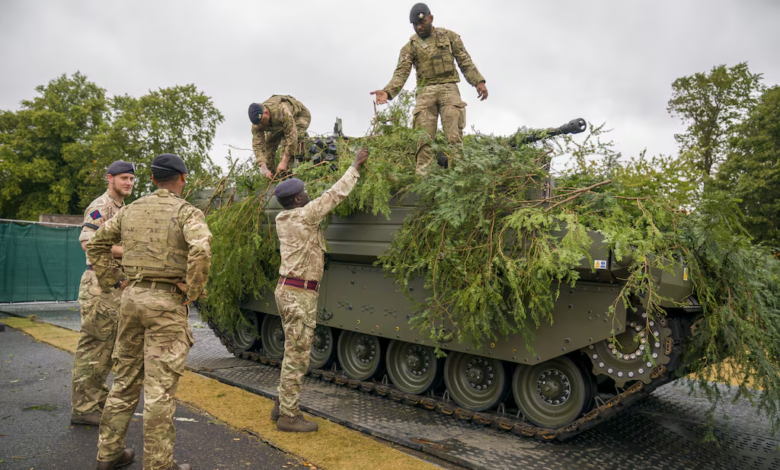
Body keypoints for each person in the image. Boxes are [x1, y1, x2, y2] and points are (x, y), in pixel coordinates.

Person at [87, 153, 212, 470]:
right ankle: (159, 464)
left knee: (124, 381)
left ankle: (109, 455)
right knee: (159, 390)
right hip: (166, 306)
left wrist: (116, 281)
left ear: (153, 180)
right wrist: (193, 291)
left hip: (132, 301)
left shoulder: (131, 210)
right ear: (182, 178)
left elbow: (96, 243)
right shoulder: (186, 212)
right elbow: (201, 248)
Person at [270, 147, 369, 432]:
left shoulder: (284, 219)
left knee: (292, 349)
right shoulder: (305, 216)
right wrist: (354, 166)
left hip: (288, 290)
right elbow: (334, 194)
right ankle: (289, 416)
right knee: (298, 354)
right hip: (299, 294)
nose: (310, 195)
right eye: (306, 193)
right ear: (299, 199)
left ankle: (281, 404)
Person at [370, 3, 488, 175]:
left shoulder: (449, 37)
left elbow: (465, 61)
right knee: (424, 139)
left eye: (422, 22)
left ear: (430, 18)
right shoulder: (410, 47)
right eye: (415, 25)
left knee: (454, 137)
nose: (419, 27)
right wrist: (387, 92)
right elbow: (401, 73)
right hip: (426, 92)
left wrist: (478, 81)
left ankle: (458, 179)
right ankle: (422, 181)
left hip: (449, 88)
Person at [71, 160, 135, 426]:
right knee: (94, 347)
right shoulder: (102, 206)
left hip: (112, 283)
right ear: (110, 179)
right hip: (98, 284)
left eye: (131, 179)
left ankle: (95, 401)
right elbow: (88, 242)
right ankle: (84, 408)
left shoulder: (122, 207)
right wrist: (131, 252)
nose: (129, 183)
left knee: (106, 348)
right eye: (123, 179)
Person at [248, 96, 312, 178]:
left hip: (298, 117)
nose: (260, 126)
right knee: (268, 146)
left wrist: (284, 162)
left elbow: (291, 137)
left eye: (261, 122)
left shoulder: (282, 111)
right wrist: (264, 168)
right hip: (277, 125)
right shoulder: (257, 123)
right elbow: (258, 146)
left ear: (266, 113)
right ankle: (273, 178)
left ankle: (287, 176)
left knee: (285, 144)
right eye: (258, 124)